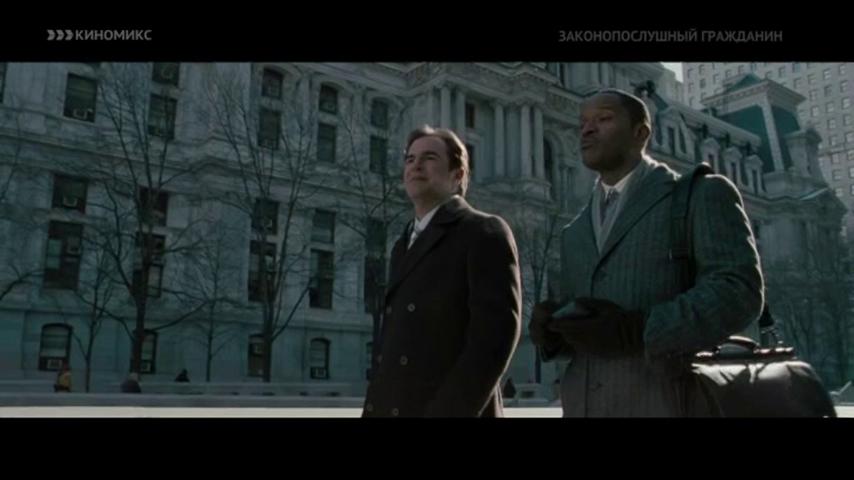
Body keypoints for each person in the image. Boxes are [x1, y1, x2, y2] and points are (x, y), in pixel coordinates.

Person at [529, 89, 764, 417]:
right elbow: (596, 331)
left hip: (672, 403)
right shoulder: (574, 232)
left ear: (641, 133)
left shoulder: (701, 194)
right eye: (582, 123)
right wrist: (557, 334)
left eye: (604, 118)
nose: (587, 129)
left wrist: (640, 330)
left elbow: (738, 292)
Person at [362, 126, 522, 417]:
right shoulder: (402, 244)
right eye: (410, 159)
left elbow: (492, 342)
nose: (416, 166)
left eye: (429, 158)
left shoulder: (484, 231)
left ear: (457, 175)